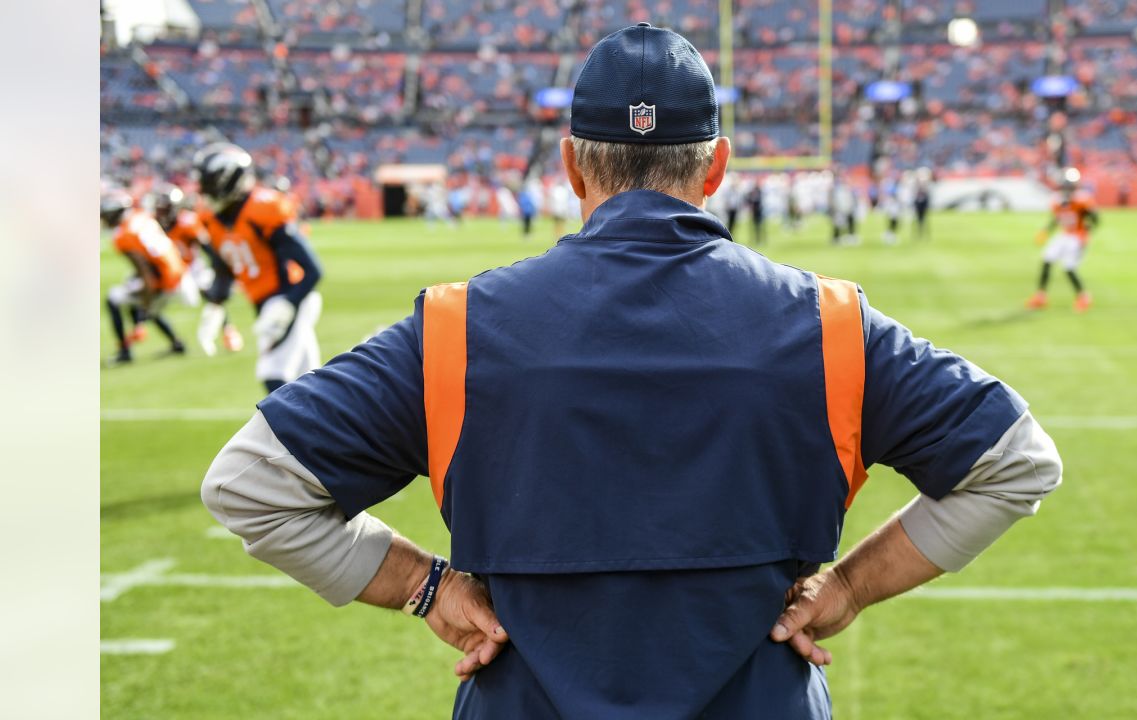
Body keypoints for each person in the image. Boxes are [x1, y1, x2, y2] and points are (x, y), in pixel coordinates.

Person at [203, 24, 1062, 719]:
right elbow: (1017, 461)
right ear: (717, 167)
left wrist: (423, 587)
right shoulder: (830, 324)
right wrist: (849, 586)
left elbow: (249, 485)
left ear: (571, 165)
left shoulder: (459, 329)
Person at [193, 143, 324, 394]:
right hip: (265, 302)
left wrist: (288, 302)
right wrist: (215, 303)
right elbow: (225, 266)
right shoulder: (212, 219)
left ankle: (291, 434)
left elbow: (313, 269)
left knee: (272, 373)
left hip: (292, 297)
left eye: (209, 185)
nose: (204, 192)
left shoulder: (263, 208)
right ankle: (331, 431)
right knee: (311, 384)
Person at [102, 189, 198, 365]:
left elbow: (146, 273)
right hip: (179, 273)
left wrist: (142, 315)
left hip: (165, 280)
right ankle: (176, 343)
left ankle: (124, 352)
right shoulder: (142, 216)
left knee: (113, 300)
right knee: (136, 295)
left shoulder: (123, 235)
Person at [150, 183, 244, 356]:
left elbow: (207, 246)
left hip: (192, 267)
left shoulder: (187, 221)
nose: (161, 212)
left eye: (164, 208)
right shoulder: (152, 224)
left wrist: (218, 269)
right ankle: (174, 342)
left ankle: (228, 331)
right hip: (169, 270)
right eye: (159, 208)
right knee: (149, 304)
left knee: (211, 294)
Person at [1027, 168, 1098, 313]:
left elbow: (1095, 219)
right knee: (1047, 259)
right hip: (1064, 234)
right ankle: (1041, 296)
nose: (1066, 188)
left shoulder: (1081, 199)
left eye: (1068, 185)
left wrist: (1086, 231)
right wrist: (1046, 231)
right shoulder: (1058, 200)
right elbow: (1058, 218)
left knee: (1068, 267)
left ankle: (1083, 297)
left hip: (1077, 236)